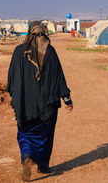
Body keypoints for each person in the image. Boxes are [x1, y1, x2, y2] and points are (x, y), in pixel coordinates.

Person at [7, 21, 73, 181]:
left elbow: (11, 78)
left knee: (25, 133)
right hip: (47, 105)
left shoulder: (18, 52)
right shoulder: (50, 51)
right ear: (44, 33)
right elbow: (59, 77)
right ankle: (43, 165)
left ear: (29, 33)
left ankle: (27, 156)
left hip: (25, 105)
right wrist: (67, 98)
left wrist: (16, 96)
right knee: (46, 135)